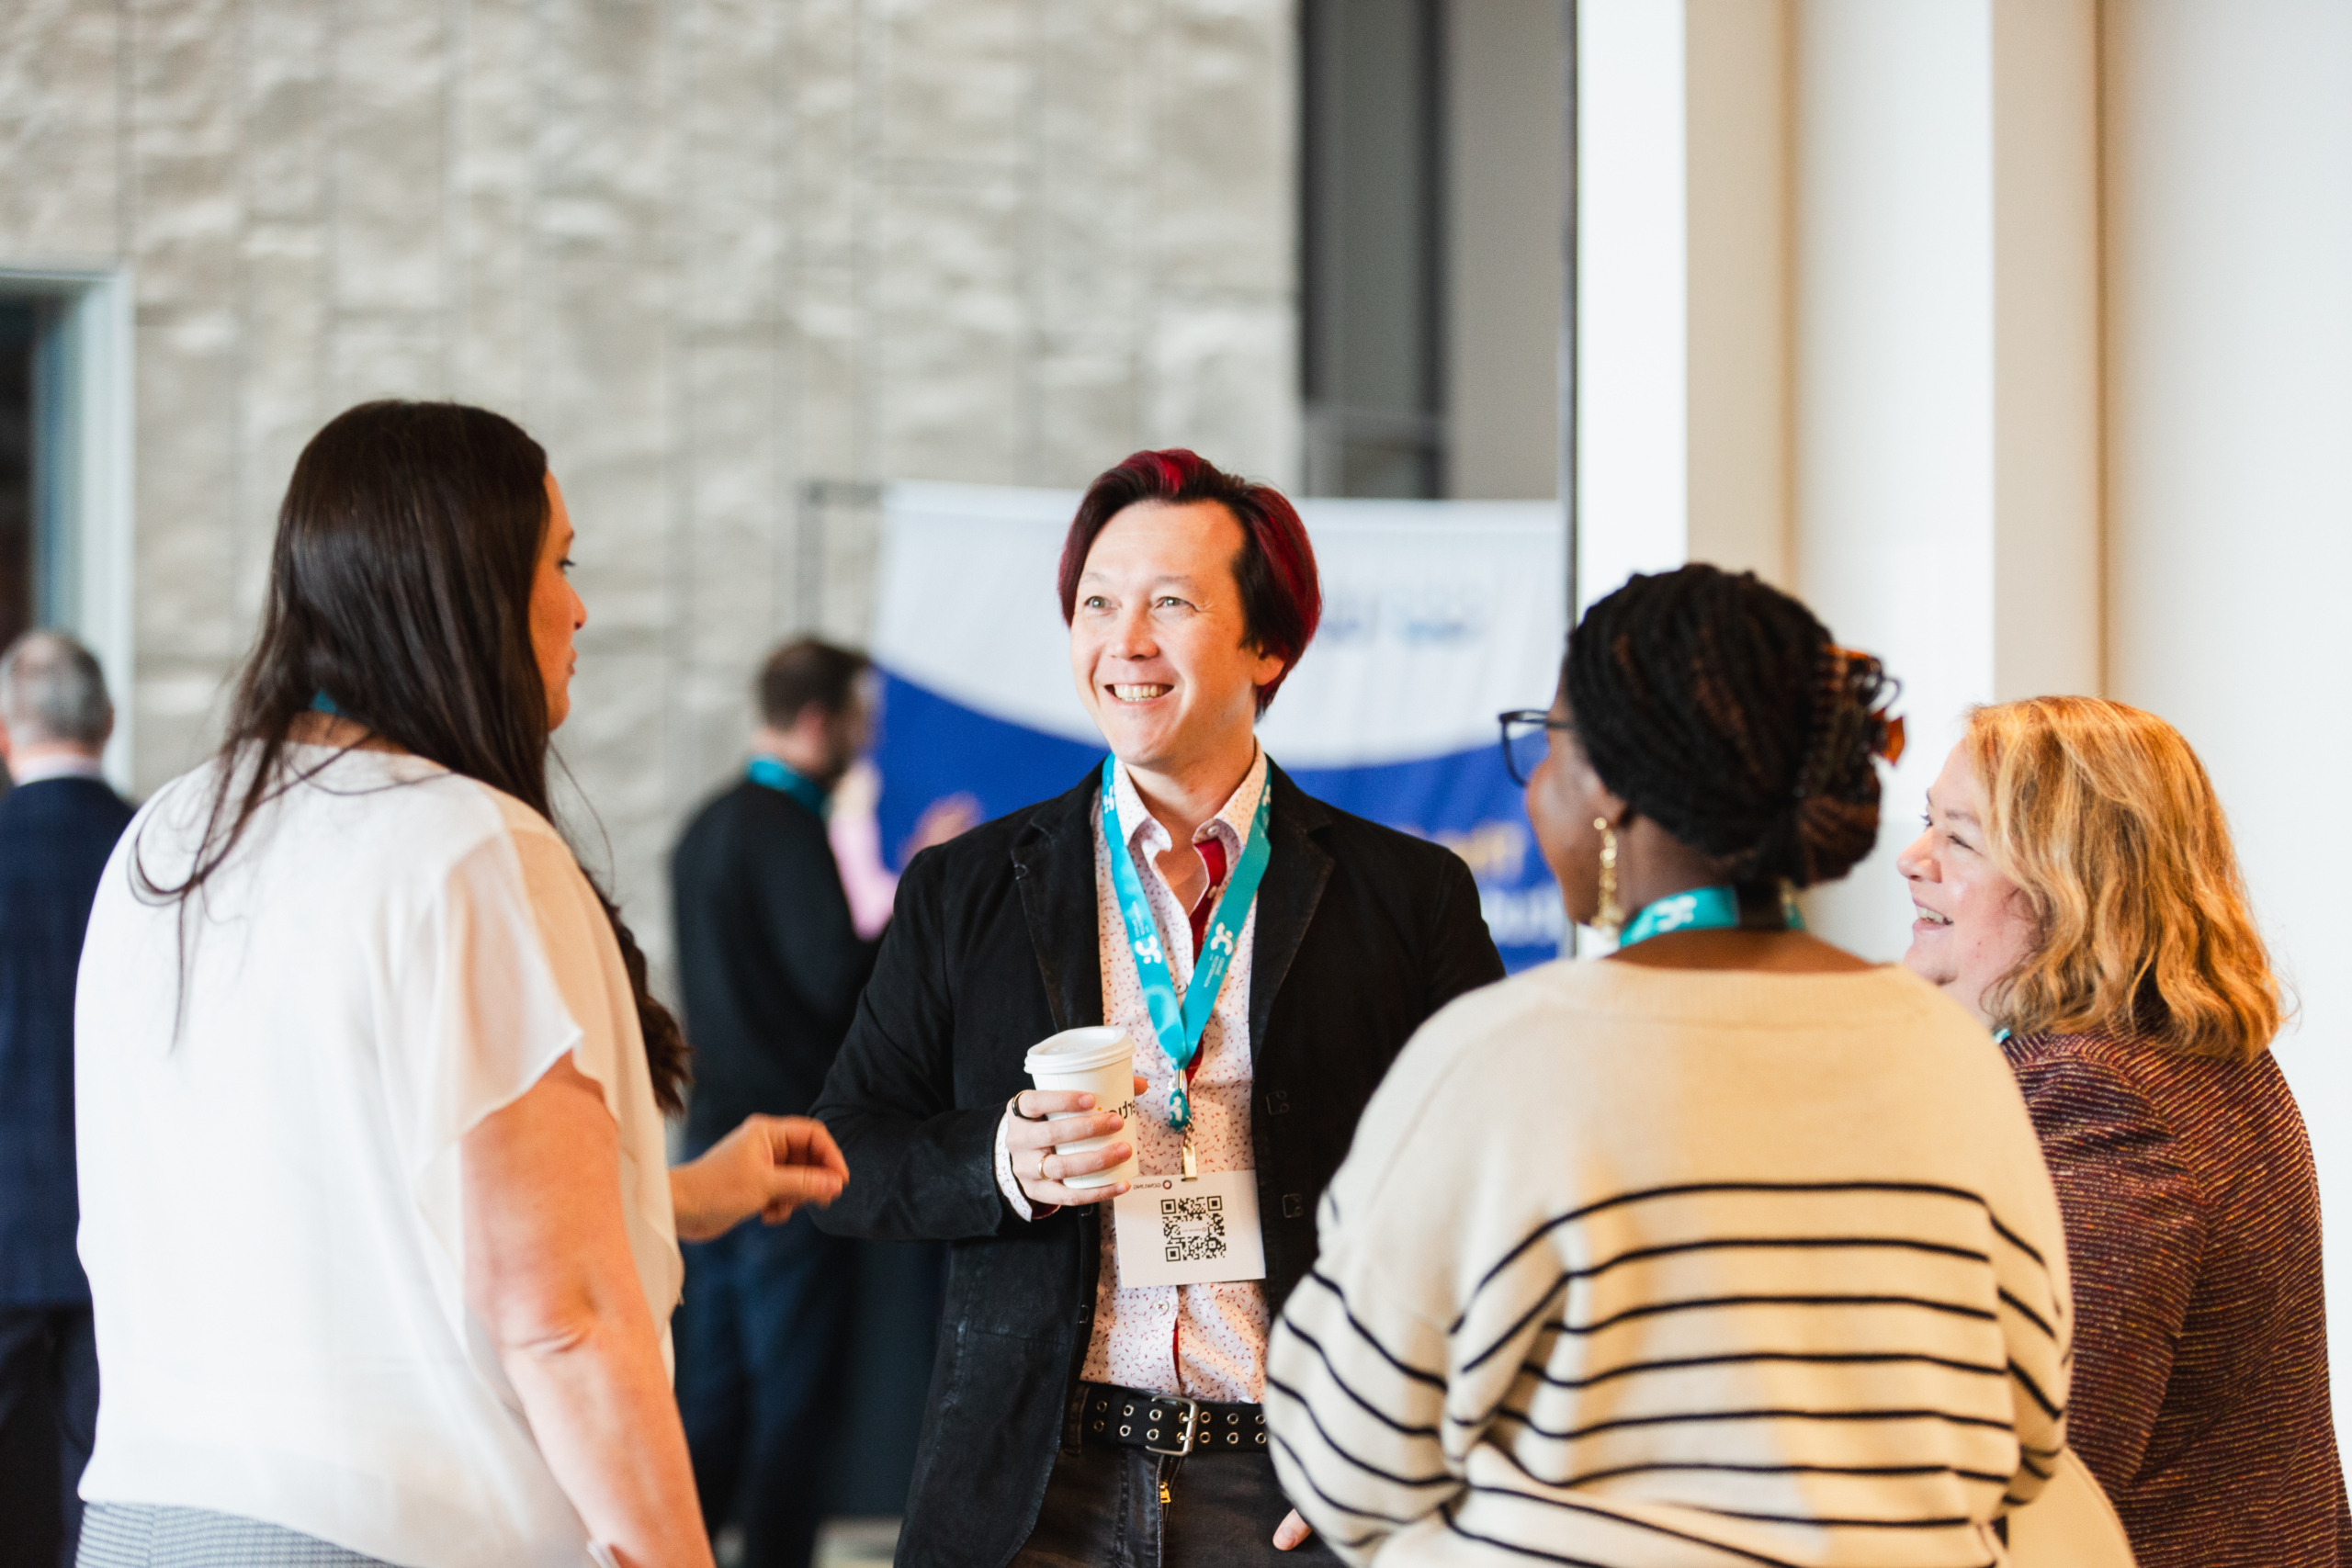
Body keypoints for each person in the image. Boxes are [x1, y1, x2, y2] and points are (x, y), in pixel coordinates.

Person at [71, 400, 848, 1568]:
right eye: (560, 561)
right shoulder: (465, 847)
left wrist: (683, 1197)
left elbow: (351, 1188)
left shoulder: (172, 835)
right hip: (394, 1534)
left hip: (142, 1521)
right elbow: (561, 1316)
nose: (580, 606)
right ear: (470, 585)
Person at [1265, 564, 2073, 1566]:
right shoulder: (1952, 1055)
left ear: (1605, 789)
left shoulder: (1505, 1057)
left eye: (1546, 747)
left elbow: (1344, 1457)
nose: (1537, 787)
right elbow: (2027, 1438)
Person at [808, 448, 1505, 1568]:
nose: (1122, 643)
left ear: (1268, 644)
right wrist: (1000, 1161)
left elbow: (1490, 1190)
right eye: (1096, 603)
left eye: (1169, 605)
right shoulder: (972, 883)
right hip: (1033, 1493)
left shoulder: (1404, 894)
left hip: (1289, 1493)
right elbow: (841, 1152)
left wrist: (1396, 1450)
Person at [1897, 695, 2351, 1567]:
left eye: (1958, 838)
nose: (1913, 859)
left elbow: (2039, 1476)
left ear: (2073, 882)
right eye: (1927, 824)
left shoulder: (2095, 1094)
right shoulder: (2198, 1052)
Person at [671, 637, 958, 1568]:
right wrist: (923, 875)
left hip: (707, 1144)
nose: (865, 746)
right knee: (793, 1395)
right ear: (819, 721)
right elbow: (836, 983)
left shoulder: (703, 825)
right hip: (783, 1158)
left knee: (714, 1390)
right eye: (859, 725)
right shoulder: (781, 827)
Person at [0, 632, 134, 1568]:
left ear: (5, 733)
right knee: (111, 1491)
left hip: (5, 1224)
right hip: (130, 1234)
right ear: (110, 721)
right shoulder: (164, 849)